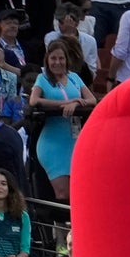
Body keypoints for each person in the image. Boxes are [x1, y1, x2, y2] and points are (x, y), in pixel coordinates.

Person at [30, 39, 97, 202]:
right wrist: (63, 104)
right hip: (53, 143)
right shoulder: (42, 78)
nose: (57, 62)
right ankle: (59, 228)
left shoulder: (74, 77)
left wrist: (75, 102)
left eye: (61, 58)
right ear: (47, 60)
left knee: (78, 194)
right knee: (63, 195)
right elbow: (33, 100)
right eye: (53, 58)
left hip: (73, 141)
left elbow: (92, 100)